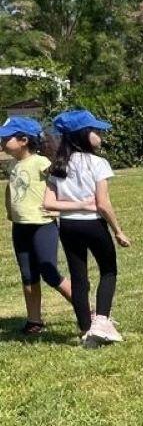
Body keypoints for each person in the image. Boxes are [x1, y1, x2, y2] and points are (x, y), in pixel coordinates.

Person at [43, 109, 130, 347]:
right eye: (95, 130)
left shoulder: (58, 166)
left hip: (69, 226)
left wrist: (73, 205)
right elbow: (103, 204)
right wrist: (118, 230)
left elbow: (48, 203)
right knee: (108, 270)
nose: (99, 134)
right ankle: (101, 321)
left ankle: (85, 329)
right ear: (82, 135)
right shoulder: (97, 163)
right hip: (93, 224)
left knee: (79, 278)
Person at [2, 116, 73, 336]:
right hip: (21, 227)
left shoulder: (42, 163)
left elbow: (66, 185)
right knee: (28, 275)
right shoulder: (13, 164)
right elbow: (10, 190)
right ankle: (34, 321)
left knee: (49, 273)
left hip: (42, 225)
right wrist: (10, 211)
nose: (2, 143)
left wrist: (59, 209)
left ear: (23, 140)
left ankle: (88, 312)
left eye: (6, 138)